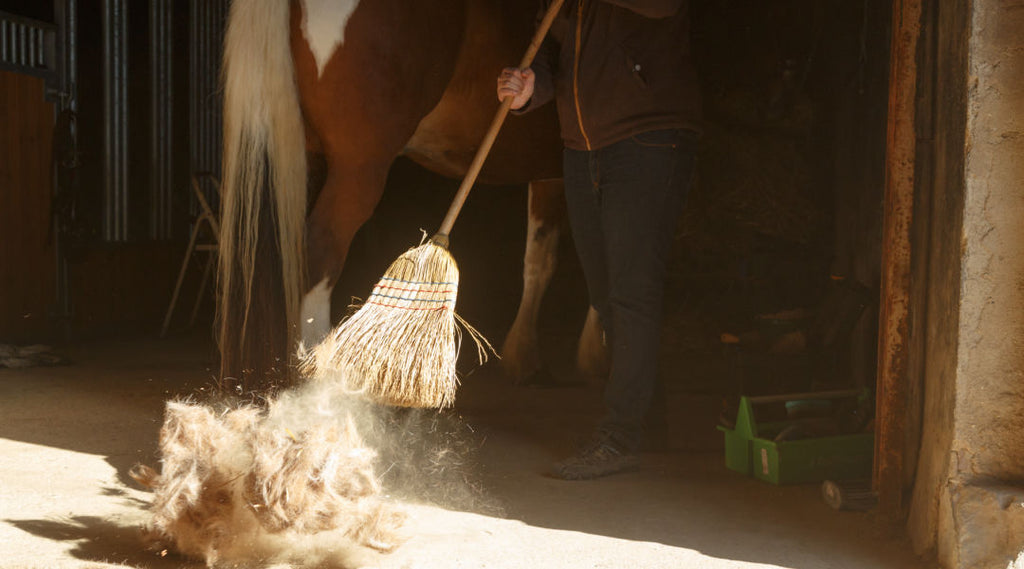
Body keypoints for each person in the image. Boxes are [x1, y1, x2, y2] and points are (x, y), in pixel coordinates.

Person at [497, 0, 702, 480]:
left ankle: (620, 435)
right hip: (582, 146)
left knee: (632, 291)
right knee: (606, 294)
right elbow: (549, 44)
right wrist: (531, 88)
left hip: (648, 137)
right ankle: (648, 420)